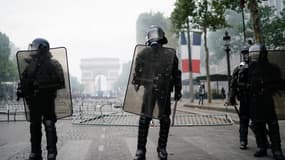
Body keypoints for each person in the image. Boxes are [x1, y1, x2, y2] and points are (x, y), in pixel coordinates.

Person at [132, 25, 182, 160]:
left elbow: (176, 74)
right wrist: (137, 80)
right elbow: (137, 74)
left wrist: (178, 89)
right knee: (146, 119)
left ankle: (158, 148)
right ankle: (143, 149)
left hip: (163, 91)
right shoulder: (144, 54)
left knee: (161, 120)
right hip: (151, 90)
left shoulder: (168, 55)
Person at [17, 38, 65, 160]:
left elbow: (60, 83)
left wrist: (40, 86)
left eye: (33, 47)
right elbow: (24, 81)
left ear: (40, 48)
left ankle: (50, 153)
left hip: (47, 99)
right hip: (34, 101)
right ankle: (36, 152)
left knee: (48, 124)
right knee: (35, 126)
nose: (31, 50)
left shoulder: (52, 64)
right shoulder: (30, 64)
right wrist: (21, 89)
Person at [247, 43, 285, 160]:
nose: (254, 55)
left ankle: (276, 149)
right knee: (258, 125)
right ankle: (261, 147)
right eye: (252, 53)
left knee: (272, 125)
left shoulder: (272, 68)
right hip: (255, 100)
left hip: (267, 99)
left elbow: (280, 84)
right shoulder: (250, 68)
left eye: (256, 53)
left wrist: (269, 86)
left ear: (263, 54)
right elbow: (245, 84)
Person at [229, 46, 251, 149]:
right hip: (244, 99)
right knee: (244, 121)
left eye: (247, 53)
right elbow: (233, 84)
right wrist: (232, 97)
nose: (246, 55)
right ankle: (243, 140)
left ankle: (263, 142)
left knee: (258, 121)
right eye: (244, 53)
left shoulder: (256, 66)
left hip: (256, 98)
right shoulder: (239, 68)